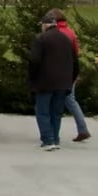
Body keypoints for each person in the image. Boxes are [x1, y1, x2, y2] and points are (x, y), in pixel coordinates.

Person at [28, 12, 78, 151]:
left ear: (44, 25)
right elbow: (75, 62)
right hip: (63, 83)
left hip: (45, 82)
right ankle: (55, 138)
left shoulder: (41, 39)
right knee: (56, 113)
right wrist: (71, 79)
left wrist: (32, 78)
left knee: (43, 111)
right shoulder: (66, 39)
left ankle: (47, 140)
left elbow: (34, 60)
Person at [52, 11, 92, 143]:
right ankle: (82, 129)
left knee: (63, 101)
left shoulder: (56, 33)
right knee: (71, 100)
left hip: (60, 72)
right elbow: (77, 52)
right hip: (70, 71)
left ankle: (80, 129)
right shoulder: (70, 32)